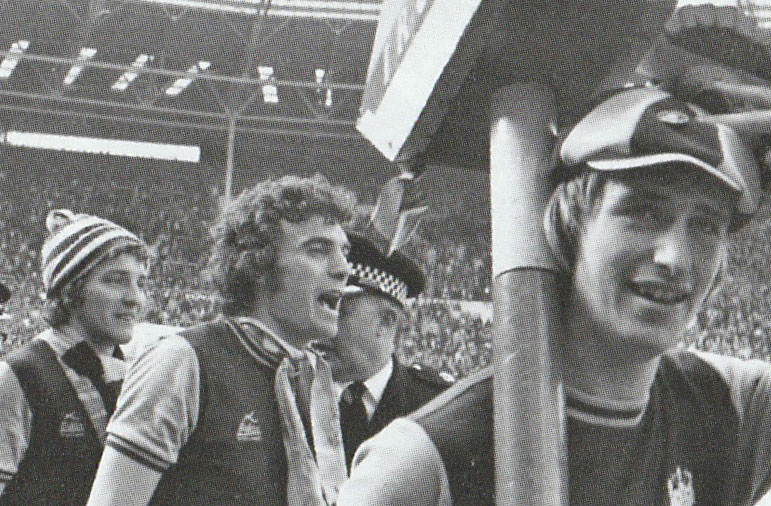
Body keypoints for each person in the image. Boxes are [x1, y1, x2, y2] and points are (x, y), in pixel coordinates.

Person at [336, 82, 771, 506]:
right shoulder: (426, 459)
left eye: (703, 225)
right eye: (641, 211)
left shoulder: (727, 409)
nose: (672, 256)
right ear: (570, 227)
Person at [86, 174, 356, 506]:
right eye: (318, 250)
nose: (343, 268)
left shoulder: (313, 376)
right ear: (258, 265)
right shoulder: (183, 361)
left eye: (344, 252)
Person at [0, 209, 149, 505]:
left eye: (140, 283)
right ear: (70, 290)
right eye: (116, 280)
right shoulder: (20, 375)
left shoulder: (135, 371)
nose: (135, 298)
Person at [316, 232, 452, 466]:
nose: (321, 327)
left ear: (386, 322)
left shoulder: (437, 406)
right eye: (321, 307)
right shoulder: (290, 393)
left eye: (338, 311)